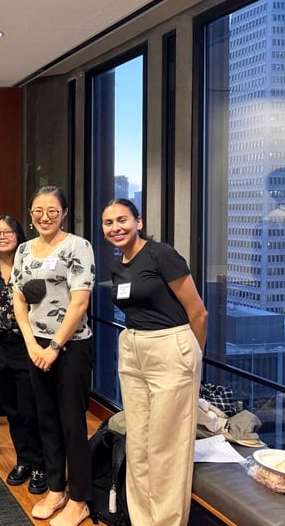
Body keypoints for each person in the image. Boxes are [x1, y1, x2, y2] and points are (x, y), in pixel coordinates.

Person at [102, 198, 207, 525]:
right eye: (108, 223)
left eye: (123, 220)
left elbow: (198, 313)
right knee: (139, 443)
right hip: (133, 348)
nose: (116, 228)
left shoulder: (162, 255)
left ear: (139, 222)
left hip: (170, 348)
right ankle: (141, 518)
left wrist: (193, 361)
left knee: (167, 448)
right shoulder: (118, 264)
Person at [12, 186, 95, 526]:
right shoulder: (23, 250)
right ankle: (56, 488)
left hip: (71, 346)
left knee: (72, 422)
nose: (44, 217)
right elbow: (19, 299)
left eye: (51, 210)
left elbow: (80, 302)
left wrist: (54, 347)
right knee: (45, 418)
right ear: (30, 215)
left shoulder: (78, 246)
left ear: (63, 212)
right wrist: (33, 345)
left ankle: (80, 499)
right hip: (36, 346)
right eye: (37, 211)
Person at [0, 216, 47, 495]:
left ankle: (42, 464)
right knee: (12, 408)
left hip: (26, 345)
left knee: (31, 407)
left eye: (8, 232)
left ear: (19, 236)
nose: (2, 236)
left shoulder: (29, 266)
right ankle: (24, 460)